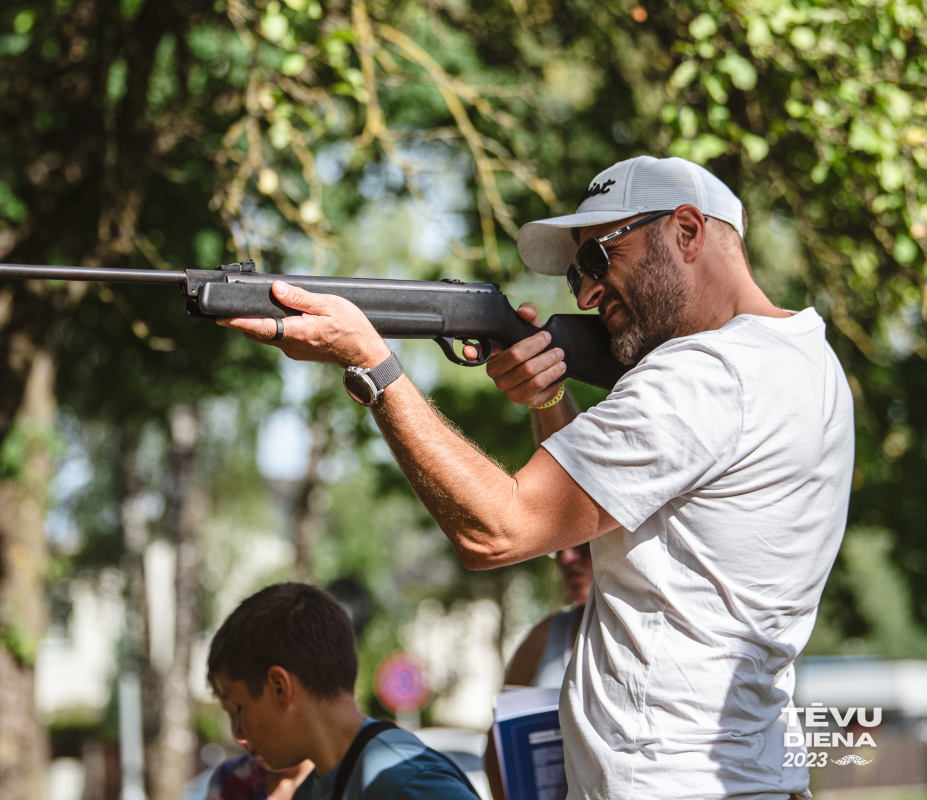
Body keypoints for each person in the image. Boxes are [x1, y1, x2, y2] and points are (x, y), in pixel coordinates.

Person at [218, 155, 854, 800]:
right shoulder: (804, 359)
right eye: (579, 273)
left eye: (600, 260)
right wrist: (550, 400)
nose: (583, 294)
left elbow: (497, 532)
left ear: (687, 231)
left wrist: (371, 365)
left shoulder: (708, 374)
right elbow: (577, 523)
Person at [207, 582, 480, 799]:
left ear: (280, 688)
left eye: (237, 709)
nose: (238, 734)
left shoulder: (400, 778)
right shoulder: (310, 792)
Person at [484, 543, 593, 800]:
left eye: (583, 545)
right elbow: (498, 744)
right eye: (558, 548)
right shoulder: (545, 635)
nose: (565, 558)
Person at [206, 752, 313, 800]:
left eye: (241, 710)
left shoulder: (327, 775)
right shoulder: (229, 777)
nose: (240, 735)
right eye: (232, 716)